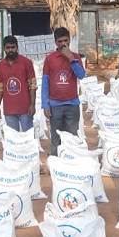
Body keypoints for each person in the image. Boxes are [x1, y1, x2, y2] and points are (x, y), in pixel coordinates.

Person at [42, 27, 86, 155]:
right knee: (56, 138)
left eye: (65, 40)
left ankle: (70, 165)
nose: (63, 44)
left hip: (72, 105)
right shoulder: (50, 59)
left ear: (69, 41)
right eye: (60, 41)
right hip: (55, 105)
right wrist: (45, 105)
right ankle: (56, 163)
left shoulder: (76, 57)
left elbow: (81, 75)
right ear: (56, 42)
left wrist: (71, 59)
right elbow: (45, 82)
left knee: (72, 137)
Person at [0, 35, 37, 132]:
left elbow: (33, 86)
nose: (11, 50)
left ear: (17, 47)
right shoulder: (0, 66)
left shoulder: (26, 62)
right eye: (8, 48)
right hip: (9, 110)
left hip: (26, 109)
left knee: (28, 138)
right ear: (4, 49)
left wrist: (32, 105)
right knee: (13, 140)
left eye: (13, 47)